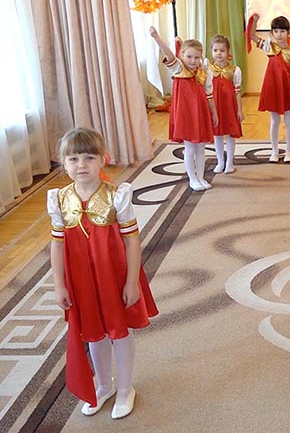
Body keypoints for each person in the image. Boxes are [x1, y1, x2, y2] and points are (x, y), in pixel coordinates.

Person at [47, 128, 158, 419]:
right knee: (93, 332)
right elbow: (57, 245)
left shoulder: (117, 196)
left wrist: (131, 282)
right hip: (81, 280)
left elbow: (132, 241)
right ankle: (104, 385)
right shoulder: (59, 199)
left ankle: (125, 389)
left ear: (103, 159)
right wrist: (59, 285)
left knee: (119, 330)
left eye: (89, 157)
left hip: (114, 276)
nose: (81, 165)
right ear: (63, 162)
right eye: (73, 159)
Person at [150, 27, 218, 191]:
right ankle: (192, 179)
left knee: (201, 148)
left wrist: (214, 113)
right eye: (189, 56)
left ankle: (201, 177)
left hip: (200, 114)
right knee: (190, 148)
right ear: (181, 55)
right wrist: (157, 37)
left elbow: (209, 95)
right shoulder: (179, 69)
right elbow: (168, 54)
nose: (193, 60)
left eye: (197, 57)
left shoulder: (204, 73)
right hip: (186, 115)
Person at [247, 14, 290, 163]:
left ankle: (289, 151)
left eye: (282, 31)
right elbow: (252, 35)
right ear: (272, 33)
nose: (279, 34)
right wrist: (255, 21)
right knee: (274, 120)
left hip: (288, 89)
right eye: (276, 31)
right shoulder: (269, 47)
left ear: (288, 32)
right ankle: (274, 151)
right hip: (273, 88)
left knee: (289, 120)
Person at [209, 34, 244, 174]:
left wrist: (239, 110)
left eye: (222, 50)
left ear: (228, 52)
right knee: (217, 134)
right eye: (215, 50)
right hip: (215, 107)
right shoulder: (208, 69)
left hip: (229, 107)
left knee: (230, 134)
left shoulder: (235, 70)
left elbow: (237, 92)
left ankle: (230, 162)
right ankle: (220, 161)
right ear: (211, 51)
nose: (219, 53)